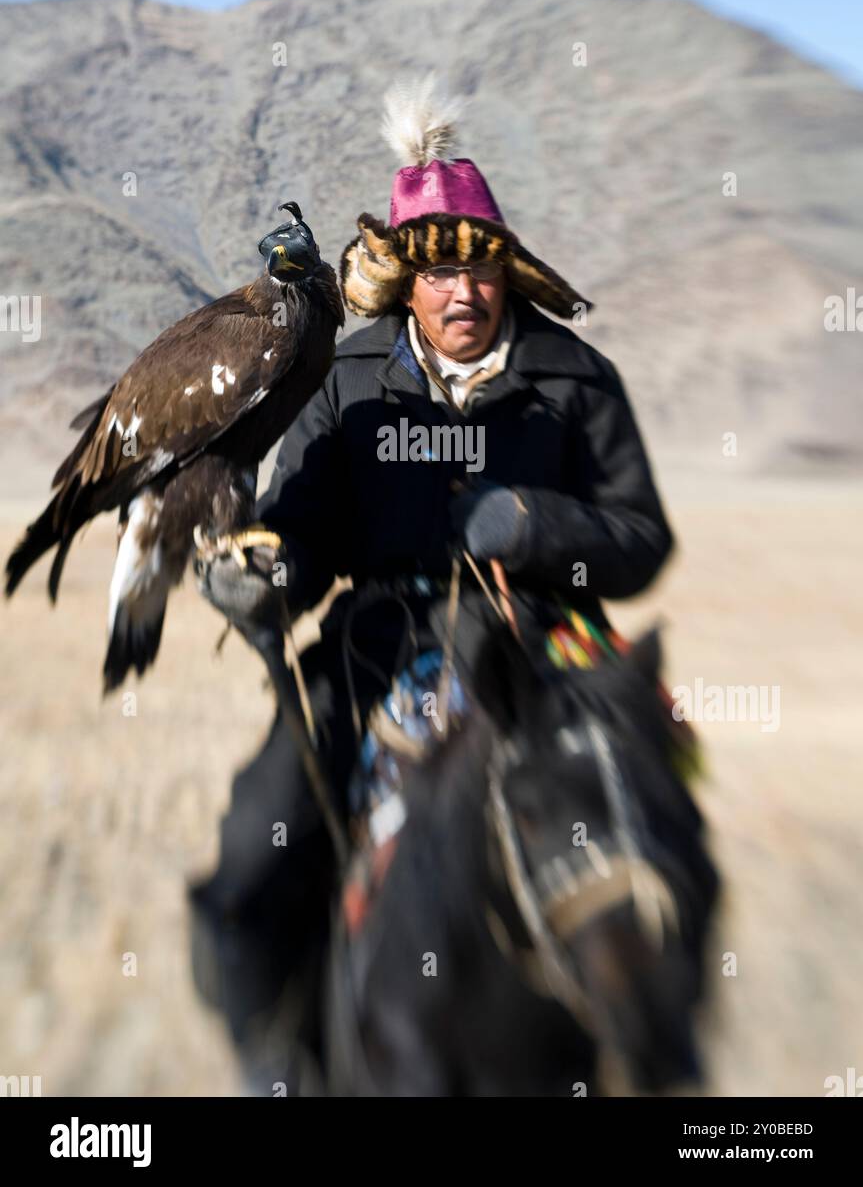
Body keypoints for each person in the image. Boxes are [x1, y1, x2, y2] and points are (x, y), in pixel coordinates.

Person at [188, 78, 674, 1092]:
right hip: (374, 654)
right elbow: (303, 533)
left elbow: (638, 540)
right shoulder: (343, 378)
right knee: (249, 860)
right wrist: (263, 577)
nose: (463, 294)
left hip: (543, 656)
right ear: (405, 278)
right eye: (439, 274)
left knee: (662, 831)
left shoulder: (576, 381)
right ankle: (282, 1068)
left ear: (507, 268)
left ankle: (662, 1055)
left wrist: (537, 527)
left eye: (481, 269)